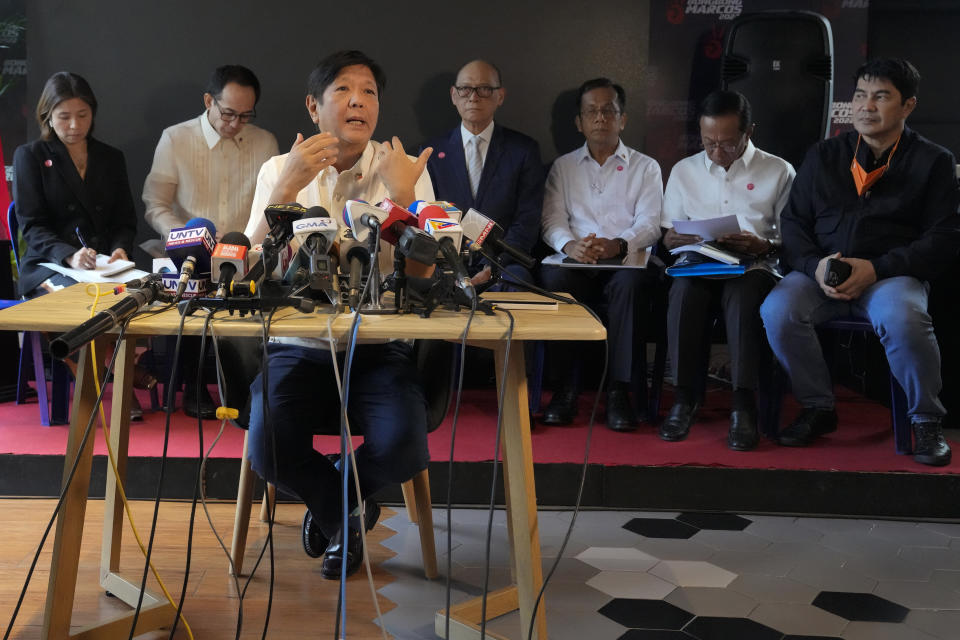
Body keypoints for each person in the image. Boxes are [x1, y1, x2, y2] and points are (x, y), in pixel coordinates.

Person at [243, 50, 435, 579]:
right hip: (298, 348)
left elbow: (423, 278)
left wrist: (403, 197)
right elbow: (248, 266)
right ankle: (345, 514)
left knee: (404, 445)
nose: (358, 101)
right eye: (344, 90)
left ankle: (333, 495)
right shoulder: (278, 170)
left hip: (379, 347)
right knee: (267, 446)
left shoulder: (404, 171)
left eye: (369, 91)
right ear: (314, 106)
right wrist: (284, 189)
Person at [760, 58, 960, 466]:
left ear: (908, 106)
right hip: (822, 275)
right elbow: (793, 223)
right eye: (860, 96)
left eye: (881, 97)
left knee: (904, 318)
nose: (867, 106)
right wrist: (815, 265)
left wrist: (877, 268)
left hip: (891, 276)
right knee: (776, 309)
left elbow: (943, 239)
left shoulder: (933, 161)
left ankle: (925, 420)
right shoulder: (824, 156)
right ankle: (818, 406)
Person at [659, 91, 795, 450]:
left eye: (727, 144)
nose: (717, 153)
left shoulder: (778, 170)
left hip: (754, 265)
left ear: (748, 132)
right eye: (709, 143)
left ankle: (743, 403)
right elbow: (669, 233)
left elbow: (792, 238)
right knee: (684, 293)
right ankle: (685, 398)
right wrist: (672, 239)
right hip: (700, 262)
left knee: (744, 296)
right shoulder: (684, 171)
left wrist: (764, 245)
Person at [12, 71, 151, 417]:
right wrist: (70, 256)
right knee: (77, 297)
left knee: (144, 291)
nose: (74, 125)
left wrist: (120, 250)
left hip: (104, 264)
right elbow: (32, 226)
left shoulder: (110, 157)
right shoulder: (30, 156)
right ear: (47, 116)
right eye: (64, 116)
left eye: (82, 115)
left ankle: (116, 369)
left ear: (93, 113)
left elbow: (124, 220)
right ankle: (115, 376)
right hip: (50, 263)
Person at [143, 65, 278, 419]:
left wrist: (245, 242)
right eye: (228, 113)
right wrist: (188, 236)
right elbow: (155, 206)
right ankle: (192, 382)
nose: (235, 124)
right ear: (209, 101)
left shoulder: (265, 142)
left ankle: (242, 382)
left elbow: (269, 208)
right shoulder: (175, 138)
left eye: (245, 116)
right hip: (187, 247)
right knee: (189, 278)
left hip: (242, 248)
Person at [540, 77, 662, 431]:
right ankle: (565, 389)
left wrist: (619, 244)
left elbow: (651, 223)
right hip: (578, 262)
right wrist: (569, 245)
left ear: (622, 119)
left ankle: (619, 391)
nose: (600, 118)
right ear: (579, 122)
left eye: (609, 111)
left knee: (631, 285)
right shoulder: (563, 167)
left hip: (626, 260)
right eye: (591, 112)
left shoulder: (646, 167)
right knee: (555, 277)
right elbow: (551, 220)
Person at [421, 59, 544, 288]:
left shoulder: (523, 150)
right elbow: (426, 214)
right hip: (447, 260)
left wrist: (495, 265)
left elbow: (527, 219)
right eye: (465, 89)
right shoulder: (431, 152)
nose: (473, 97)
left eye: (484, 89)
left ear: (500, 96)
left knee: (518, 282)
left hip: (504, 264)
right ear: (453, 95)